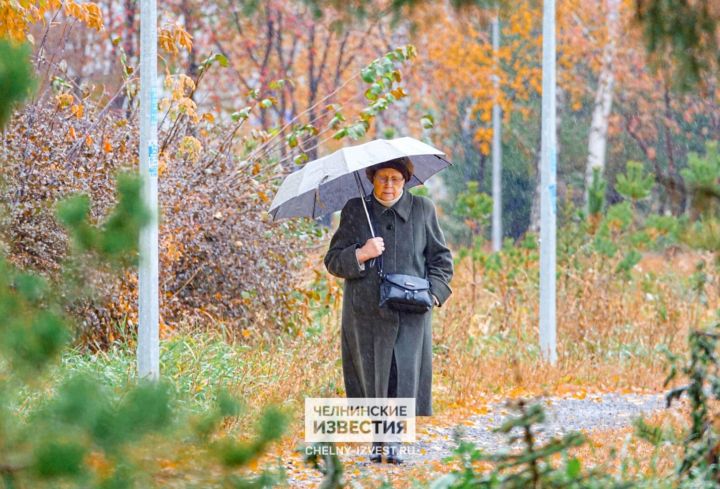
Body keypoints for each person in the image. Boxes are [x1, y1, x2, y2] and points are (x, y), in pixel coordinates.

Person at [323, 156, 454, 464]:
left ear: (406, 179)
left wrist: (434, 294)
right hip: (365, 313)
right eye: (382, 178)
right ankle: (378, 438)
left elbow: (441, 260)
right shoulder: (356, 210)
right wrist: (362, 253)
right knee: (372, 376)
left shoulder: (423, 210)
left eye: (395, 178)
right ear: (372, 179)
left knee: (401, 373)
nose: (388, 185)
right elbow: (332, 260)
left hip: (410, 312)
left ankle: (392, 439)